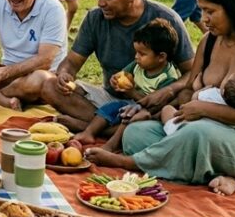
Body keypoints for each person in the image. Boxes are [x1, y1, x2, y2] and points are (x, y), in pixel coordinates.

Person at [86, 0, 235, 196]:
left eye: (211, 11)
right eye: (202, 10)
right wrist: (156, 109)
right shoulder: (209, 41)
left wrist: (205, 109)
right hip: (208, 128)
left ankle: (131, 163)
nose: (203, 18)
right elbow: (187, 90)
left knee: (198, 134)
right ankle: (223, 172)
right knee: (136, 133)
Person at [41, 0, 195, 131]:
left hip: (151, 103)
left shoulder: (166, 19)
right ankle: (110, 129)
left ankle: (94, 127)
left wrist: (168, 91)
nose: (100, 3)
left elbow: (192, 72)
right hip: (109, 98)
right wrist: (64, 75)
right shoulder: (95, 18)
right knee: (50, 86)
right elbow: (71, 63)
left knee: (185, 96)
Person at [73, 19, 181, 150]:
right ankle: (89, 132)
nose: (136, 57)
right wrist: (116, 79)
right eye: (136, 52)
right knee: (111, 107)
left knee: (129, 116)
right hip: (131, 103)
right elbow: (122, 74)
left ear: (161, 57)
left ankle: (111, 144)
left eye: (142, 54)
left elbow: (156, 104)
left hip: (150, 112)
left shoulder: (167, 78)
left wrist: (132, 93)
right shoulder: (138, 65)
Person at [160, 71, 235, 136]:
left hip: (187, 126)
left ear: (223, 91)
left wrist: (199, 88)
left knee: (167, 109)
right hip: (214, 134)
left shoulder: (213, 93)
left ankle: (170, 132)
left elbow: (195, 99)